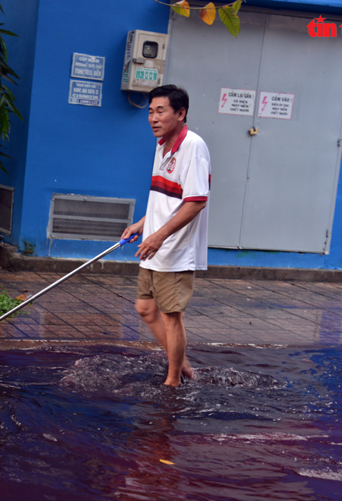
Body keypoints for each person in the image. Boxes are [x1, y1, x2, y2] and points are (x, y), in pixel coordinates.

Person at [121, 85, 211, 387]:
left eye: (161, 111)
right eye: (150, 111)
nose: (153, 118)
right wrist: (143, 224)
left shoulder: (193, 147)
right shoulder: (162, 145)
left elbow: (196, 201)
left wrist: (158, 236)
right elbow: (168, 198)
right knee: (145, 308)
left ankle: (173, 380)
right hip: (154, 243)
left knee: (172, 317)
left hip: (173, 247)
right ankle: (181, 362)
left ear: (180, 113)